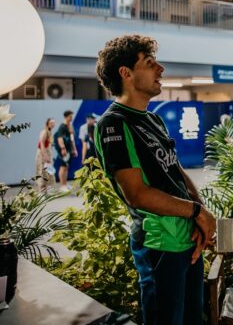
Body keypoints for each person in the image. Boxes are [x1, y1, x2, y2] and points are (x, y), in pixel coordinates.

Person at [95, 34, 216, 325]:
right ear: (126, 73)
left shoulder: (153, 119)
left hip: (188, 240)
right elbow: (136, 194)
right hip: (160, 244)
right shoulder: (114, 123)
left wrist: (199, 216)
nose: (160, 69)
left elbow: (176, 171)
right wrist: (197, 212)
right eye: (150, 63)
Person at [54, 110, 77, 192]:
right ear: (66, 117)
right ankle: (62, 186)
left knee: (66, 167)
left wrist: (74, 149)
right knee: (63, 167)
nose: (71, 118)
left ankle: (65, 184)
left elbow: (72, 139)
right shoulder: (62, 127)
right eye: (70, 116)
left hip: (69, 150)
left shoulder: (70, 126)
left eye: (72, 116)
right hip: (64, 151)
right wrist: (63, 149)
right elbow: (60, 138)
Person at [35, 118, 56, 192]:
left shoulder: (49, 132)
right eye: (51, 123)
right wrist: (45, 156)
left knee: (47, 173)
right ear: (47, 123)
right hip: (42, 155)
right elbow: (42, 144)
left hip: (47, 153)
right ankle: (42, 191)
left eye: (54, 123)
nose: (53, 124)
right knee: (42, 172)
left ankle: (46, 191)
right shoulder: (44, 132)